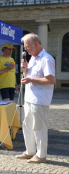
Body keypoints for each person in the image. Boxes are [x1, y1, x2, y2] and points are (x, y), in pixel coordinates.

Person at [16, 33, 56, 163]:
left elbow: (51, 80)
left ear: (36, 44)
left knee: (39, 127)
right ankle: (30, 151)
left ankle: (41, 154)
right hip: (29, 98)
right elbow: (29, 78)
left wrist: (31, 78)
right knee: (27, 125)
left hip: (40, 99)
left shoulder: (46, 59)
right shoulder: (33, 58)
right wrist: (25, 70)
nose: (25, 49)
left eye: (27, 46)